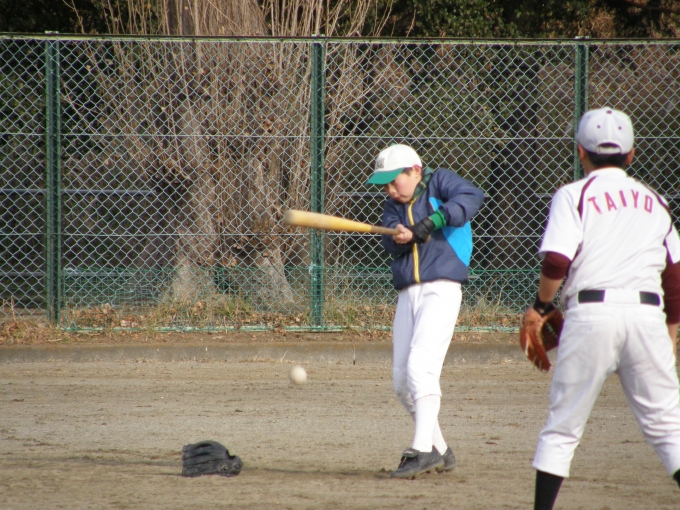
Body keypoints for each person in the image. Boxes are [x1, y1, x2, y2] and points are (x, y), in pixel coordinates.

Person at [528, 107, 680, 509]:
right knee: (670, 429)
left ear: (581, 151)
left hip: (591, 314)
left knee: (562, 429)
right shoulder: (657, 201)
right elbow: (675, 278)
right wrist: (670, 336)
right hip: (647, 316)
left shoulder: (573, 194)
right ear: (631, 154)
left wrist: (540, 306)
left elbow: (557, 261)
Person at [366, 143, 484, 478]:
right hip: (409, 293)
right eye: (385, 185)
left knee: (421, 367)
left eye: (395, 181)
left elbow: (471, 198)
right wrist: (399, 238)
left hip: (441, 288)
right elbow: (390, 242)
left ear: (415, 171)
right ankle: (439, 450)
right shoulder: (393, 206)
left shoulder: (439, 182)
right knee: (402, 381)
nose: (390, 190)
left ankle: (420, 450)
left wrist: (430, 222)